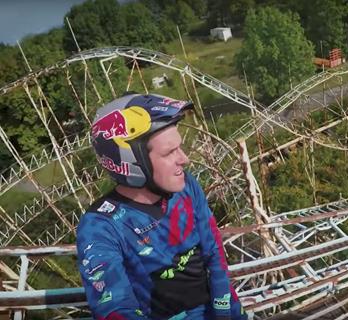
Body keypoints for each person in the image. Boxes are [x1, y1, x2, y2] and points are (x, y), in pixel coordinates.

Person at [76, 93, 247, 320]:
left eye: (180, 148)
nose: (184, 159)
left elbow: (213, 251)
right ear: (132, 163)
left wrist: (224, 311)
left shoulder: (186, 187)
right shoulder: (101, 225)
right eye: (169, 152)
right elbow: (114, 307)